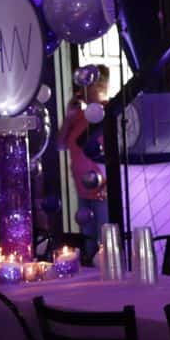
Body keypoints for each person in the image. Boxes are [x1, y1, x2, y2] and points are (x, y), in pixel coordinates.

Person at [60, 65, 111, 256]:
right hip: (83, 191)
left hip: (103, 191)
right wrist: (68, 117)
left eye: (85, 86)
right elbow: (60, 145)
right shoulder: (79, 116)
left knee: (105, 244)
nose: (81, 91)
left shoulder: (111, 112)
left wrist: (109, 186)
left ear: (98, 86)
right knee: (88, 244)